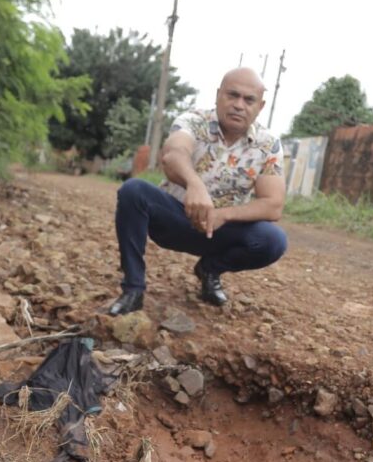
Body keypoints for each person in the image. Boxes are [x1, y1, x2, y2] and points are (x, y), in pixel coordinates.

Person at [107, 67, 288, 316]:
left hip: (220, 230)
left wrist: (224, 214)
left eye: (248, 100)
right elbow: (173, 154)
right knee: (133, 191)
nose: (238, 105)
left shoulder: (268, 145)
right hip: (175, 220)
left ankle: (210, 269)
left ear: (261, 106)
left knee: (273, 240)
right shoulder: (193, 120)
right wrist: (195, 184)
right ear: (218, 95)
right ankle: (133, 290)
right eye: (232, 95)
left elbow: (273, 204)